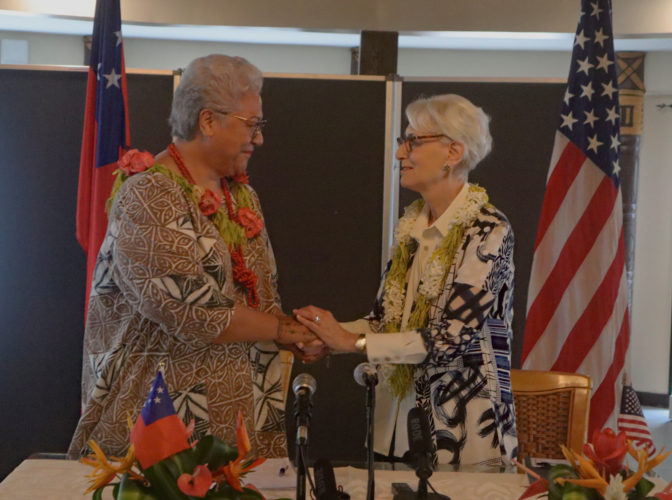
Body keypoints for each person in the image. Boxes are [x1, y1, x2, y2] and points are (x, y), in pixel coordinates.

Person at [69, 55, 323, 459]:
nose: (258, 139)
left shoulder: (242, 196)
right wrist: (282, 329)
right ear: (208, 121)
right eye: (251, 125)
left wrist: (293, 333)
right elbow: (191, 309)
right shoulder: (150, 195)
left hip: (241, 427)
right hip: (163, 429)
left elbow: (257, 297)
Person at [295, 94, 518, 466]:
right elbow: (384, 323)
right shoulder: (413, 225)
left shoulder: (488, 229)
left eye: (413, 141)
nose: (400, 153)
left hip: (463, 442)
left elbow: (450, 340)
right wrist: (326, 335)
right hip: (393, 430)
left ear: (453, 152)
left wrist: (351, 341)